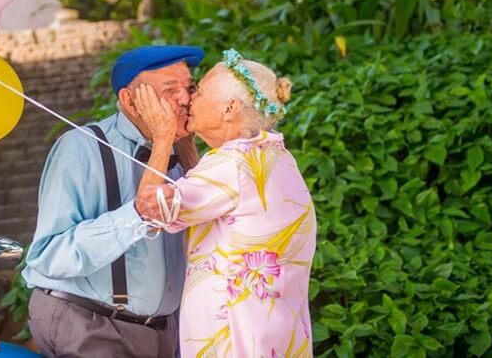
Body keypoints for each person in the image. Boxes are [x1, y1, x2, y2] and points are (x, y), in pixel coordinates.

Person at [22, 45, 204, 358]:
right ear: (130, 100)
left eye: (188, 88)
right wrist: (160, 146)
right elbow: (49, 256)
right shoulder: (81, 148)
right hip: (90, 323)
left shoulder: (180, 150)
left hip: (164, 329)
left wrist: (183, 148)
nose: (185, 99)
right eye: (169, 89)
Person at [134, 49, 316, 357]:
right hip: (276, 337)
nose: (189, 99)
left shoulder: (231, 164)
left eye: (199, 91)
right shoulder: (275, 157)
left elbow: (150, 209)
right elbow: (209, 199)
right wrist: (187, 142)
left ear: (230, 108)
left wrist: (162, 137)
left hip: (236, 340)